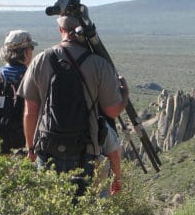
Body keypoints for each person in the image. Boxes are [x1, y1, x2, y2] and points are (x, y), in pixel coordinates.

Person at [19, 15, 128, 198]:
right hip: (85, 148)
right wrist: (125, 94)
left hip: (48, 146)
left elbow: (30, 111)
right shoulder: (99, 64)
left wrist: (31, 148)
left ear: (60, 30)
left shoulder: (40, 60)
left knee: (49, 205)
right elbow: (112, 111)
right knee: (80, 206)